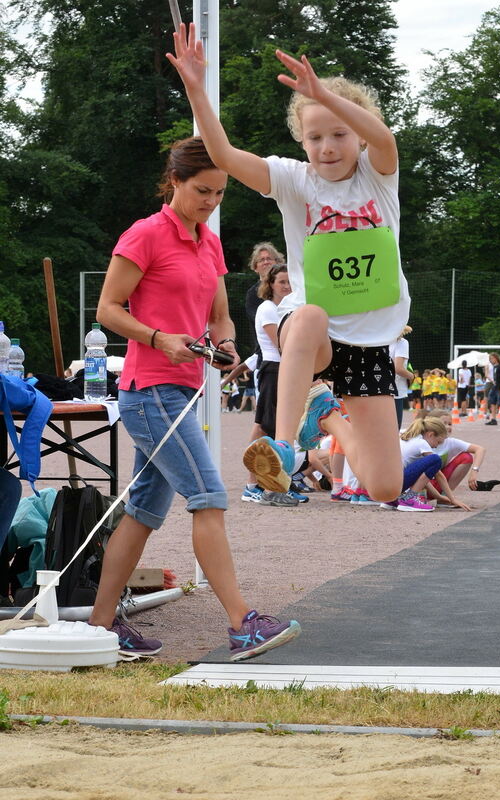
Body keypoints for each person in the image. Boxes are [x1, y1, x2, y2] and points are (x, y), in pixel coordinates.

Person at [168, 24, 408, 504]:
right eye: (314, 137)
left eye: (339, 134)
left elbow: (383, 137)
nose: (327, 147)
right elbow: (223, 155)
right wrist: (196, 90)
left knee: (385, 487)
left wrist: (323, 95)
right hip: (314, 334)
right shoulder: (293, 180)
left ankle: (327, 413)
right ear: (301, 141)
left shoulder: (378, 175)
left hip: (370, 337)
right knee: (311, 313)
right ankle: (282, 445)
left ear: (359, 135)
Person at [88, 136, 301, 661]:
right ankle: (242, 624)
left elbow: (220, 315)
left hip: (181, 392)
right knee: (208, 495)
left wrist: (226, 345)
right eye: (203, 190)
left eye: (220, 193)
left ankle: (100, 626)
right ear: (174, 182)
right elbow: (107, 310)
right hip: (150, 391)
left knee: (142, 512)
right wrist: (159, 338)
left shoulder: (210, 243)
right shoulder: (145, 234)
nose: (211, 201)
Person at [242, 264, 308, 506]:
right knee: (267, 427)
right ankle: (254, 485)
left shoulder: (287, 308)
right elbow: (282, 344)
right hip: (274, 369)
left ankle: (276, 483)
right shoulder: (268, 309)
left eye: (290, 282)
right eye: (282, 281)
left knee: (273, 427)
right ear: (270, 284)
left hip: (284, 369)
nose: (287, 286)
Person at [382, 417, 472, 512]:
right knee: (435, 459)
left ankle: (392, 500)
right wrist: (452, 499)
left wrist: (439, 497)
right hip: (395, 484)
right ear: (430, 434)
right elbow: (438, 475)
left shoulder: (406, 434)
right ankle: (409, 499)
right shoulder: (422, 443)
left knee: (422, 465)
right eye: (438, 442)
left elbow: (423, 479)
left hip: (384, 485)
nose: (436, 446)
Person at [390, 325, 414, 429]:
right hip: (395, 389)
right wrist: (411, 376)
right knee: (394, 428)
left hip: (378, 389)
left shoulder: (380, 341)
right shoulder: (401, 342)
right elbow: (398, 368)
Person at [485, 353, 500, 426]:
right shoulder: (494, 367)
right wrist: (493, 381)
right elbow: (493, 377)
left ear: (496, 358)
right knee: (492, 401)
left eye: (492, 358)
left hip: (499, 387)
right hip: (494, 386)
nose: (491, 360)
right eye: (490, 359)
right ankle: (493, 419)